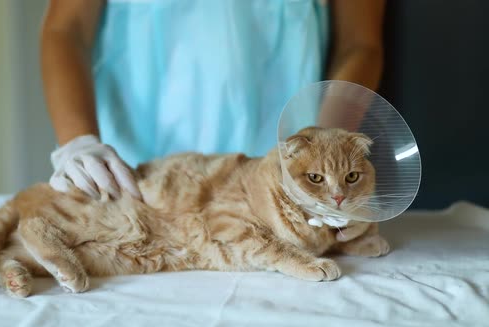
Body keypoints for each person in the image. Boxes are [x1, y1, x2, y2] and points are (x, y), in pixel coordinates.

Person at [41, 0, 385, 200]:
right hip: (129, 176)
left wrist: (326, 158)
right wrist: (78, 143)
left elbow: (359, 43)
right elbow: (66, 29)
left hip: (282, 178)